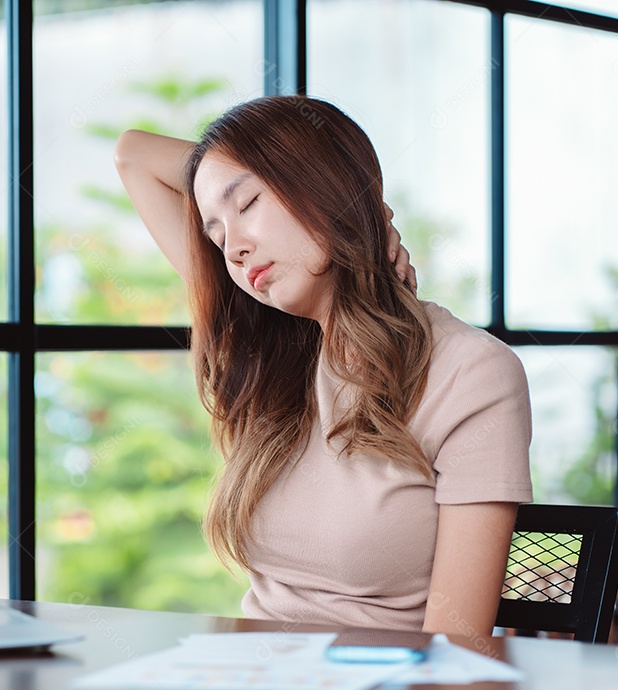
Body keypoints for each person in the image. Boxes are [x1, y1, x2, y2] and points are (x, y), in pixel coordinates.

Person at [113, 96, 532, 638]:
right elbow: (132, 155)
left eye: (248, 203)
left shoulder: (470, 372)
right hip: (250, 686)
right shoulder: (268, 355)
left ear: (319, 182)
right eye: (216, 236)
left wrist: (354, 198)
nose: (234, 249)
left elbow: (458, 649)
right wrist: (353, 206)